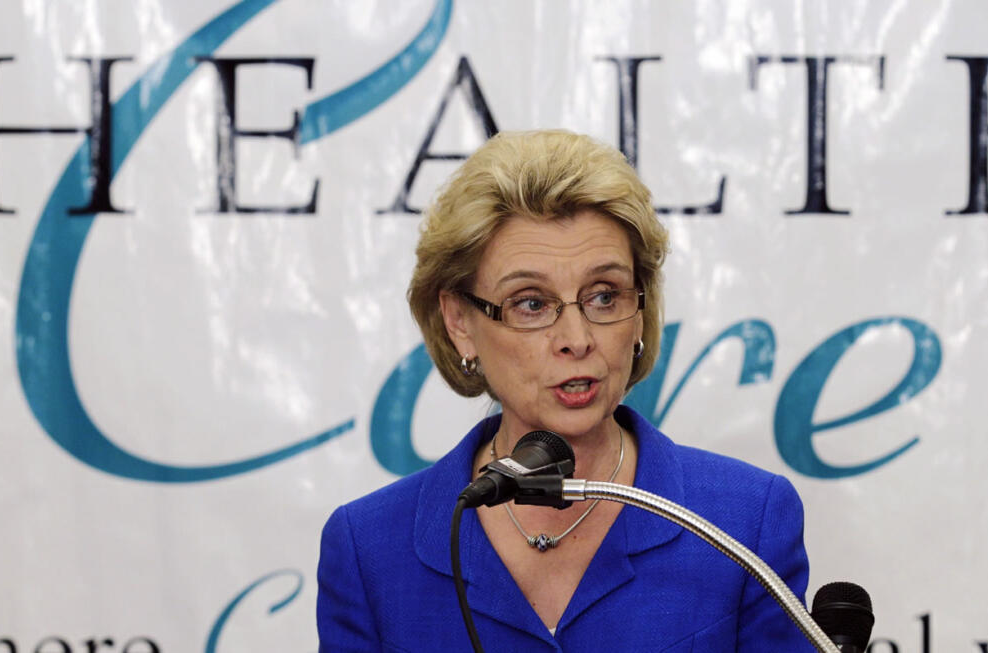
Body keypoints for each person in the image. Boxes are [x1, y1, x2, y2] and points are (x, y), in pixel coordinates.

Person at [317, 130, 810, 651]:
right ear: (460, 321)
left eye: (603, 296)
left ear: (640, 312)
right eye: (531, 303)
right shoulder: (369, 549)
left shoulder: (745, 520)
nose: (577, 340)